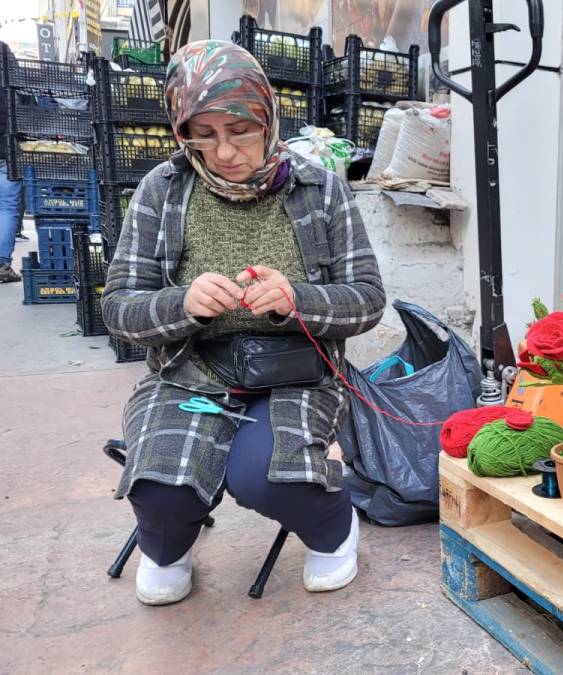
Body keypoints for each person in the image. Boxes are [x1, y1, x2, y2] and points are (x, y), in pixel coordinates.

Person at [101, 40, 385, 606]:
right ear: (181, 131)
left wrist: (296, 297)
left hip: (296, 373)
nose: (224, 151)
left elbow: (369, 300)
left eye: (240, 131)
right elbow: (118, 307)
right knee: (160, 484)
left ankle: (335, 530)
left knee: (268, 476)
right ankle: (169, 545)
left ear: (268, 119)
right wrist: (181, 304)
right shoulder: (163, 189)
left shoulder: (320, 189)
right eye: (202, 134)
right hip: (189, 373)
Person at [0, 42, 23, 283]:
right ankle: (1, 264)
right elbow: (22, 91)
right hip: (5, 147)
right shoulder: (3, 53)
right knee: (6, 206)